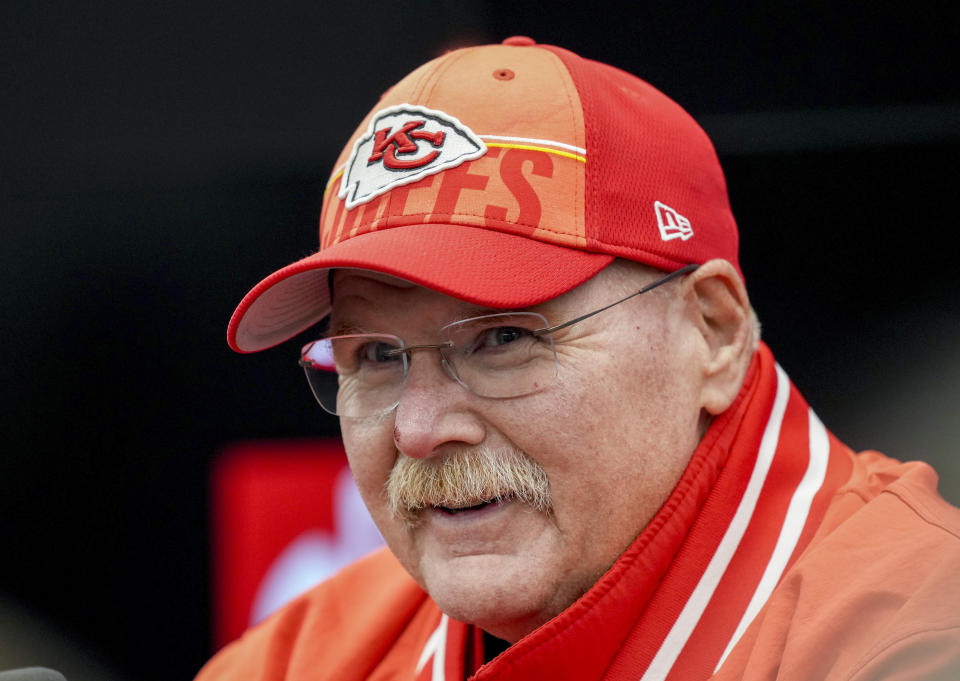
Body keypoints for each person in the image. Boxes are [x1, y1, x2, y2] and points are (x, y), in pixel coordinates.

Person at [198, 37, 960, 680]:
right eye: (374, 355)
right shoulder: (306, 657)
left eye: (503, 337)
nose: (421, 428)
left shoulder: (913, 636)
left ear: (715, 332)